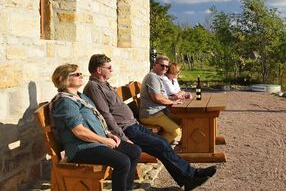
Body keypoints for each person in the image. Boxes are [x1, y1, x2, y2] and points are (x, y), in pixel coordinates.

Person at [83, 54, 216, 190]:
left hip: (133, 124)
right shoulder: (94, 87)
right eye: (109, 67)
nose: (112, 70)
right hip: (126, 129)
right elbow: (106, 115)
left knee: (162, 143)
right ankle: (190, 176)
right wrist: (122, 137)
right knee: (160, 144)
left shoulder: (103, 84)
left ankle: (191, 175)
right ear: (99, 70)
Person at [49, 63, 141, 191]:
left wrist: (108, 133)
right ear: (63, 79)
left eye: (81, 73)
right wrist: (105, 140)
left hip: (95, 142)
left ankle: (126, 188)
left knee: (134, 151)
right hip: (81, 148)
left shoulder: (80, 96)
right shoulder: (65, 102)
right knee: (122, 161)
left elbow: (95, 119)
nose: (81, 76)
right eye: (76, 74)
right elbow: (79, 131)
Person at [139, 55, 183, 144]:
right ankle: (156, 149)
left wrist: (173, 99)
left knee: (184, 119)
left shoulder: (158, 77)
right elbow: (157, 98)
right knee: (176, 131)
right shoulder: (152, 77)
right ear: (154, 65)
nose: (165, 68)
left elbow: (161, 96)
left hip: (159, 112)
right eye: (162, 65)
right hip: (151, 114)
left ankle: (166, 140)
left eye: (167, 66)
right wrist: (172, 102)